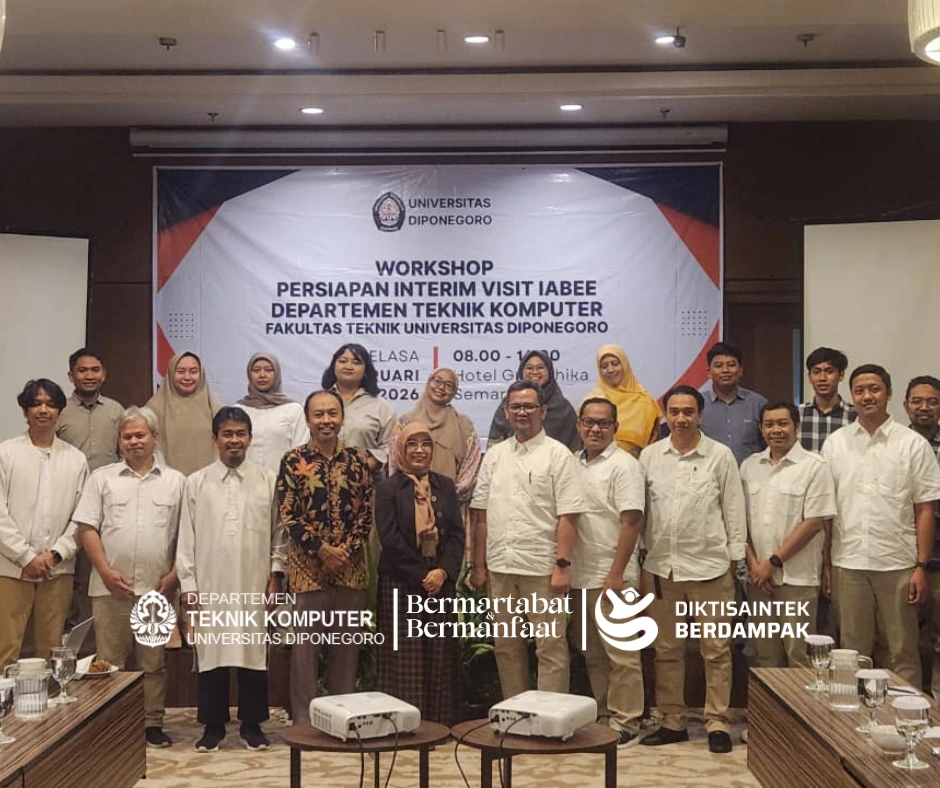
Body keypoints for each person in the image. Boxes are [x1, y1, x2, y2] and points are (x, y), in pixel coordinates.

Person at [639, 385, 746, 754]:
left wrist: (734, 561)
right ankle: (673, 721)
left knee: (716, 650)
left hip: (710, 567)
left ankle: (717, 722)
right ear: (666, 416)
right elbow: (642, 514)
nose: (681, 418)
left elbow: (734, 509)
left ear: (700, 415)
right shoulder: (650, 457)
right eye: (674, 412)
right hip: (662, 568)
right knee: (666, 650)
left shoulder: (720, 456)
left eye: (688, 412)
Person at [822, 365, 940, 687]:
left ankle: (903, 714)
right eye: (859, 390)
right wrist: (826, 563)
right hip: (848, 562)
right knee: (851, 649)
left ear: (888, 394)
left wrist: (920, 566)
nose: (867, 396)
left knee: (902, 650)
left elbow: (925, 509)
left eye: (874, 389)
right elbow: (827, 511)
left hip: (898, 563)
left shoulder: (912, 444)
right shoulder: (835, 444)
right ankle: (852, 715)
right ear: (852, 396)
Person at [74, 406, 185, 748]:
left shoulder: (176, 481)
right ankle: (114, 726)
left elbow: (187, 536)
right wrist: (105, 572)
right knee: (109, 663)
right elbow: (87, 528)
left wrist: (174, 576)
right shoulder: (101, 479)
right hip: (110, 589)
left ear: (155, 438)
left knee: (153, 662)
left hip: (157, 589)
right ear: (119, 441)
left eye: (140, 435)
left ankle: (152, 723)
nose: (134, 441)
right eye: (127, 436)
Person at [178, 406, 287, 753]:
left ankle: (252, 725)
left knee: (253, 653)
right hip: (210, 585)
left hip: (253, 583)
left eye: (241, 433)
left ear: (250, 439)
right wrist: (188, 586)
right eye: (227, 434)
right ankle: (213, 726)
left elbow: (279, 535)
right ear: (215, 439)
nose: (234, 440)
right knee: (212, 653)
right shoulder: (196, 482)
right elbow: (185, 539)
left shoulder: (268, 481)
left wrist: (275, 577)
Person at [470, 380, 585, 698]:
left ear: (543, 411)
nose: (522, 412)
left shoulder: (558, 455)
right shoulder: (495, 455)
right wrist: (478, 565)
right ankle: (515, 714)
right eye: (516, 406)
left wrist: (562, 566)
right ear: (507, 412)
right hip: (500, 567)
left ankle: (549, 716)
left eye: (529, 406)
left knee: (549, 646)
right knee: (506, 645)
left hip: (542, 569)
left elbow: (569, 516)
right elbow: (481, 514)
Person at [276, 390, 374, 725]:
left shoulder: (358, 460)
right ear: (308, 420)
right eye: (318, 414)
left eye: (332, 413)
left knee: (346, 652)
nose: (326, 420)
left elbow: (366, 514)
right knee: (305, 654)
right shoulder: (293, 460)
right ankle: (305, 724)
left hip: (350, 569)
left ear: (342, 418)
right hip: (308, 571)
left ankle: (342, 721)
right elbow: (289, 514)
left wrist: (344, 552)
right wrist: (322, 551)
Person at [375, 422, 464, 725]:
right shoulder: (388, 488)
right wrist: (421, 576)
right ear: (401, 449)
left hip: (440, 580)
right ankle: (406, 725)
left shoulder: (445, 485)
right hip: (401, 581)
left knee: (439, 653)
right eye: (412, 444)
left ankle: (439, 723)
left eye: (425, 444)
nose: (419, 450)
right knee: (405, 656)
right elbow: (389, 538)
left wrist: (442, 572)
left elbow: (456, 534)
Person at [571, 397, 645, 746]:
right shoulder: (573, 463)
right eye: (589, 422)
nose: (595, 429)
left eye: (603, 423)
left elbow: (632, 521)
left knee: (622, 655)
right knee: (593, 654)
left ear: (615, 428)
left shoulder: (624, 465)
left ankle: (627, 720)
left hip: (613, 575)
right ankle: (604, 715)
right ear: (579, 425)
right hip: (581, 573)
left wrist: (616, 574)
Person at [0, 379, 88, 671]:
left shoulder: (76, 459)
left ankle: (50, 702)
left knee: (51, 652)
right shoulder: (6, 453)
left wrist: (56, 554)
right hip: (11, 568)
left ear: (60, 411)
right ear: (25, 411)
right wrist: (26, 556)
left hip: (57, 570)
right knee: (5, 649)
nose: (43, 410)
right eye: (36, 404)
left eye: (50, 404)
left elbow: (82, 517)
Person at [740, 403, 836, 667]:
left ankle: (800, 699)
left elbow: (814, 523)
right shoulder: (749, 466)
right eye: (769, 424)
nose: (776, 430)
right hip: (758, 580)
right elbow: (740, 522)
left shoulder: (814, 466)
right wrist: (755, 567)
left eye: (783, 423)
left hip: (797, 578)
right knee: (764, 655)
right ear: (761, 429)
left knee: (799, 655)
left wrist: (772, 563)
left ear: (797, 427)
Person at [57, 347, 124, 656]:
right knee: (70, 577)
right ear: (71, 376)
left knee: (100, 572)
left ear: (104, 374)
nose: (89, 375)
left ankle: (100, 648)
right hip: (67, 507)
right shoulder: (59, 412)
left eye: (95, 370)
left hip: (108, 509)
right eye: (82, 370)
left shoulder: (116, 411)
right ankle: (70, 649)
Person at [390, 368, 482, 506]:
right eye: (437, 381)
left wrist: (449, 495)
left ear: (454, 392)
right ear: (428, 382)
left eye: (449, 385)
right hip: (409, 502)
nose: (441, 387)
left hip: (449, 503)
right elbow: (394, 463)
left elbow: (471, 466)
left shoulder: (464, 425)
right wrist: (412, 493)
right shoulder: (405, 422)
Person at [903, 375, 940, 700]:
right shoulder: (896, 445)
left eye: (932, 401)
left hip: (939, 560)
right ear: (906, 406)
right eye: (917, 401)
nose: (924, 407)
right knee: (904, 641)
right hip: (902, 561)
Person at [321, 344, 395, 479]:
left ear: (366, 370)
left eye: (356, 362)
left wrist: (370, 463)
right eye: (343, 361)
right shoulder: (317, 402)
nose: (348, 366)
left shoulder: (380, 406)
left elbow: (390, 446)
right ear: (333, 367)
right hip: (320, 479)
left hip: (366, 481)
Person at [145, 351, 223, 475]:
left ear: (201, 374)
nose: (187, 377)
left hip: (207, 481)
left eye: (193, 371)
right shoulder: (152, 410)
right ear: (171, 374)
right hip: (165, 481)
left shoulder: (216, 409)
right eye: (180, 371)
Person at [488, 351, 581, 451]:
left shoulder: (563, 408)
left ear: (550, 372)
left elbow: (575, 445)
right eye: (529, 368)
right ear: (521, 371)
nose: (535, 372)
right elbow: (495, 441)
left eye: (540, 368)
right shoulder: (509, 403)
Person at [237, 352, 308, 472]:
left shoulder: (294, 410)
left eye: (269, 370)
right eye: (256, 370)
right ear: (249, 374)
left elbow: (301, 451)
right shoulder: (239, 410)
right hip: (245, 480)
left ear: (277, 373)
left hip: (283, 480)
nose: (262, 375)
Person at [584, 345, 661, 456]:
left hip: (636, 462)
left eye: (615, 364)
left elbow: (654, 444)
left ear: (625, 365)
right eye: (604, 366)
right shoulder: (592, 400)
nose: (610, 370)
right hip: (596, 461)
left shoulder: (644, 402)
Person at [700, 342, 767, 465]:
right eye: (718, 366)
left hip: (749, 474)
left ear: (740, 370)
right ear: (709, 372)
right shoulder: (698, 404)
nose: (725, 370)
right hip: (708, 473)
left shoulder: (758, 403)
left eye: (731, 365)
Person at [798, 347, 857, 453]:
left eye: (829, 372)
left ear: (841, 375)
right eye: (816, 372)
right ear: (809, 377)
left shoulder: (855, 415)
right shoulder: (797, 414)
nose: (822, 378)